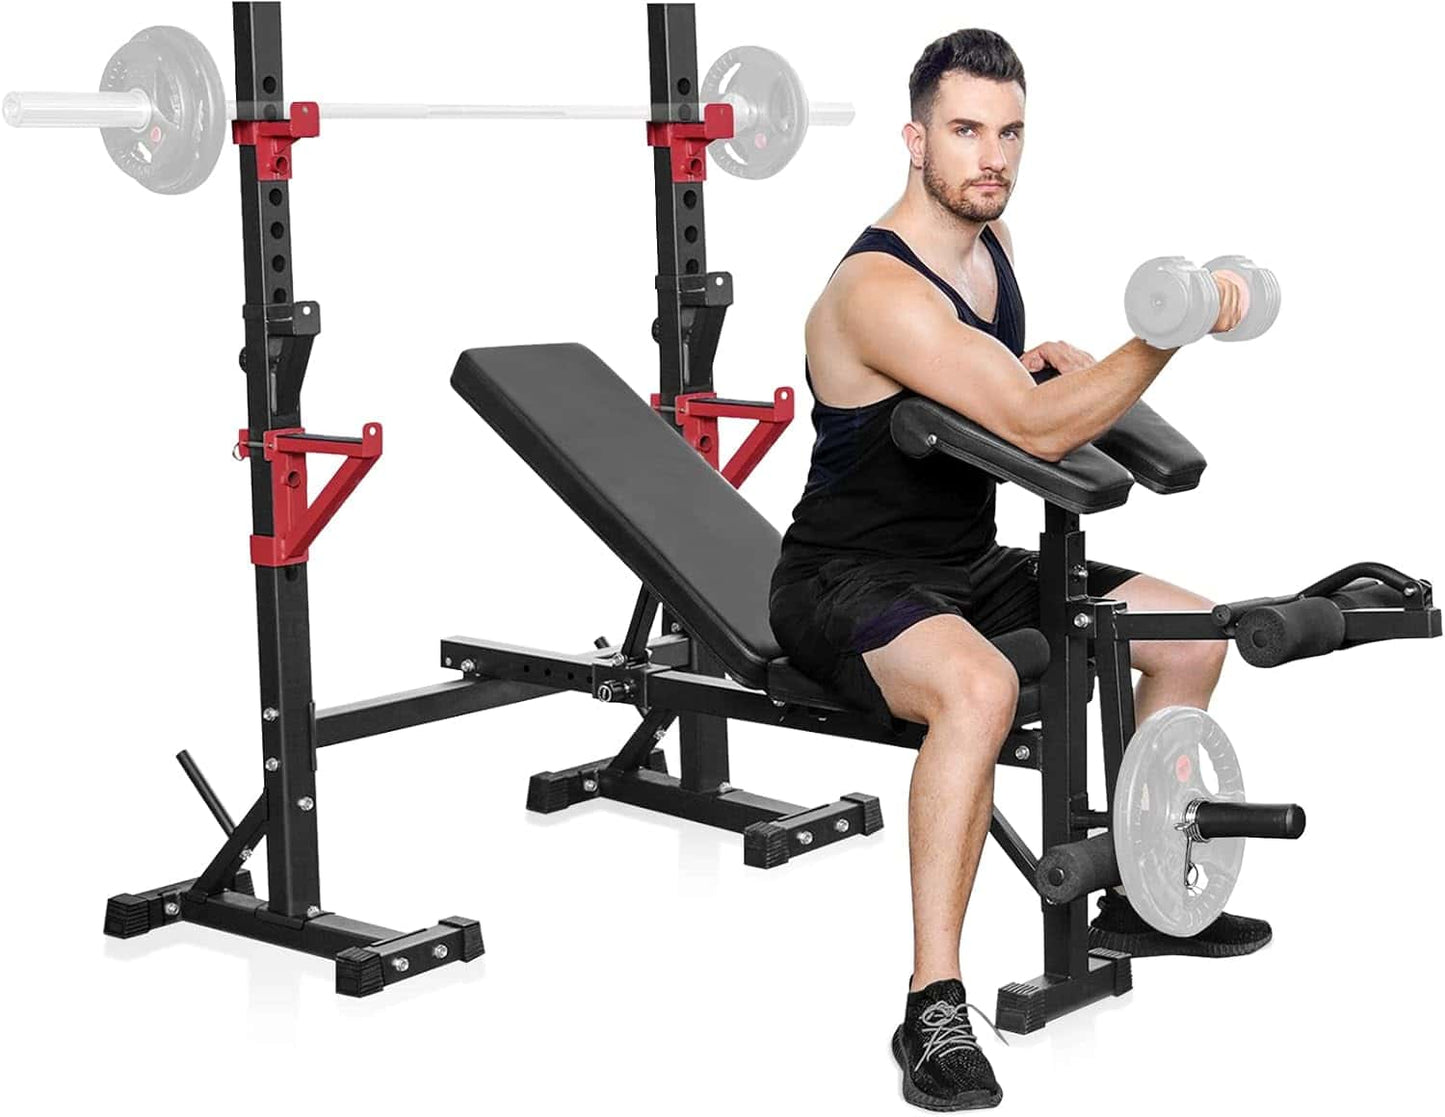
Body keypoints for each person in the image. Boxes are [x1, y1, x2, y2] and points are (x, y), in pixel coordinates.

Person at [767, 29, 1269, 1112]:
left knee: (1188, 628)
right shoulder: (874, 287)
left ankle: (1136, 892)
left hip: (960, 562)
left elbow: (1001, 387)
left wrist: (1039, 362)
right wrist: (1166, 334)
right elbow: (1034, 431)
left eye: (1007, 134)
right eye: (963, 131)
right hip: (842, 579)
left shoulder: (984, 245)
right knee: (980, 688)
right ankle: (929, 1005)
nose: (989, 157)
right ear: (912, 140)